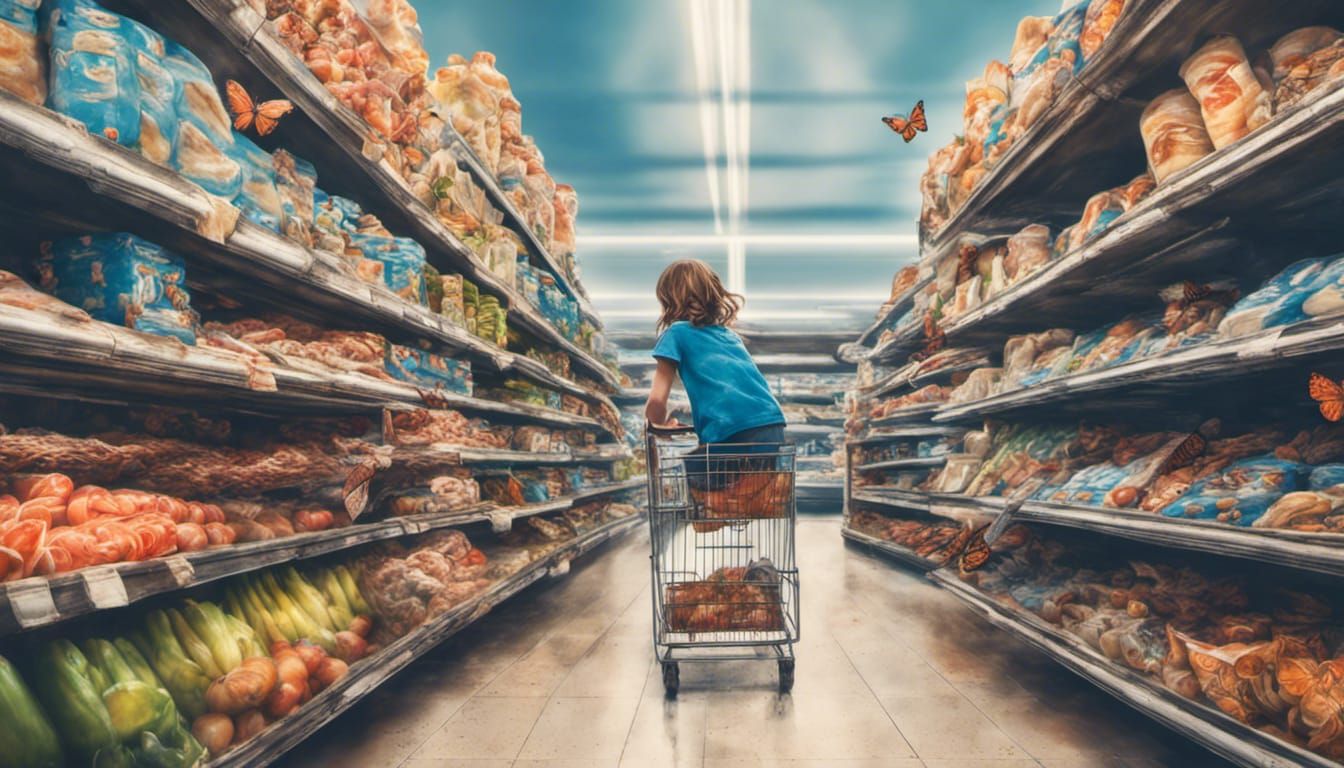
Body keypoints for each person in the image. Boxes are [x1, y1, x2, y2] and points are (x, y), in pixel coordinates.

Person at [643, 259, 787, 490]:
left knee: (699, 480)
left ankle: (708, 518)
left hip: (731, 430)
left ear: (669, 298)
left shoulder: (676, 333)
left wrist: (658, 425)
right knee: (754, 497)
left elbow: (657, 399)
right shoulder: (730, 335)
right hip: (771, 425)